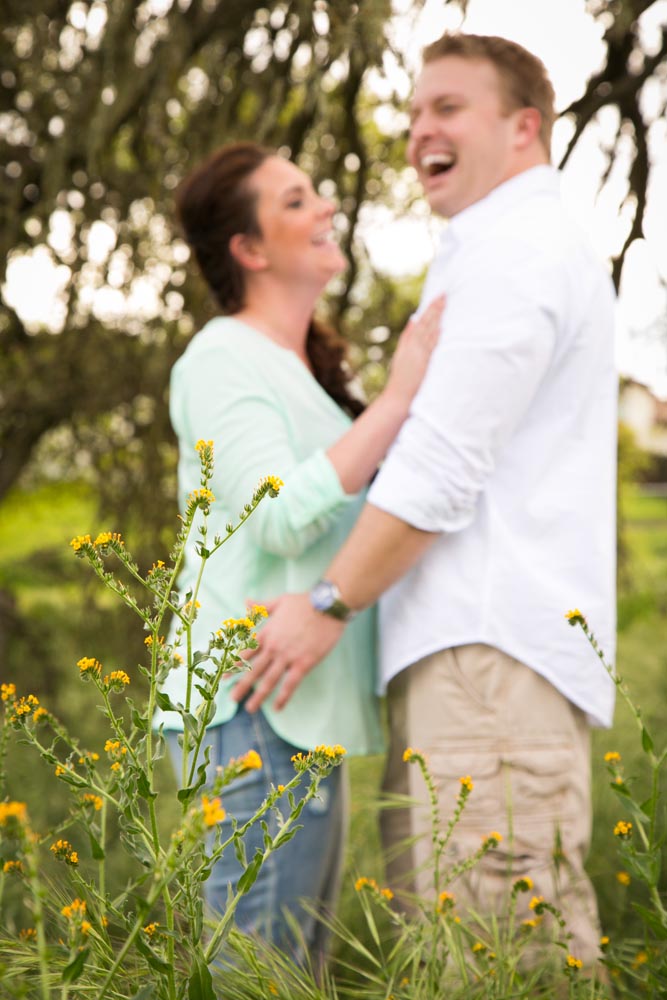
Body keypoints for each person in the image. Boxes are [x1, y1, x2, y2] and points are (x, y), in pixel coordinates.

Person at [231, 33, 618, 966]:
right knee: (457, 951)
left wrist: (327, 603)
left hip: (484, 663)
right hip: (472, 663)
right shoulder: (493, 246)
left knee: (499, 958)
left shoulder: (515, 250)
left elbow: (442, 465)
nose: (418, 131)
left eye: (446, 107)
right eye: (412, 113)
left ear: (523, 128)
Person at [154, 141, 444, 960]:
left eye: (316, 190)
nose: (323, 208)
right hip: (255, 704)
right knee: (258, 971)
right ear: (248, 250)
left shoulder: (296, 370)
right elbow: (277, 517)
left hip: (291, 705)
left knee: (283, 967)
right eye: (294, 200)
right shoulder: (220, 357)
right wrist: (395, 403)